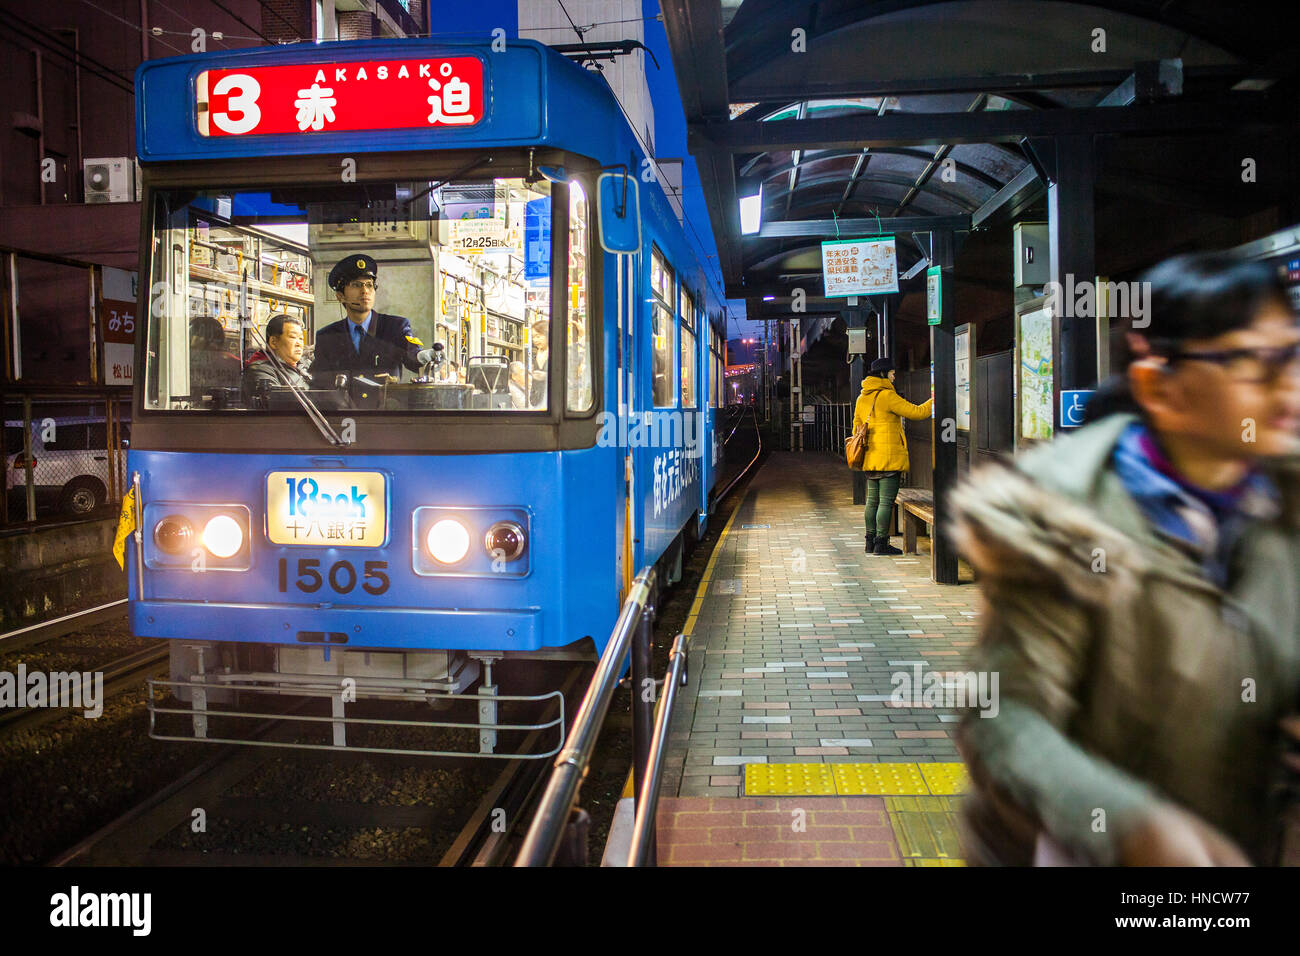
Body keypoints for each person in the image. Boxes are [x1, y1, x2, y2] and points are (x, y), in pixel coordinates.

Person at [948, 251, 1300, 866]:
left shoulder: (1285, 510)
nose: (1287, 384)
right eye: (1248, 360)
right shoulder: (1060, 522)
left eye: (1291, 353)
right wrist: (1131, 827)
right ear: (1157, 387)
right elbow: (1003, 714)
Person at [852, 357, 933, 554]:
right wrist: (934, 398)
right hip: (888, 459)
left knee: (872, 501)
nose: (894, 376)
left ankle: (869, 542)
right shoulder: (887, 396)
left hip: (870, 458)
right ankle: (881, 543)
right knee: (886, 502)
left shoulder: (862, 398)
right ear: (883, 374)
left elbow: (856, 427)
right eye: (892, 373)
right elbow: (917, 412)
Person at [311, 254, 423, 384]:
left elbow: (415, 361)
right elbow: (320, 383)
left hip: (387, 403)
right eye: (356, 285)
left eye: (369, 285)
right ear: (340, 296)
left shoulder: (395, 327)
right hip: (344, 404)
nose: (365, 291)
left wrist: (426, 358)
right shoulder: (328, 337)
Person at [241, 313, 312, 406]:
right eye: (293, 337)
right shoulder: (261, 370)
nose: (299, 343)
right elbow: (279, 404)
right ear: (273, 342)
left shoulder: (308, 365)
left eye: (301, 338)